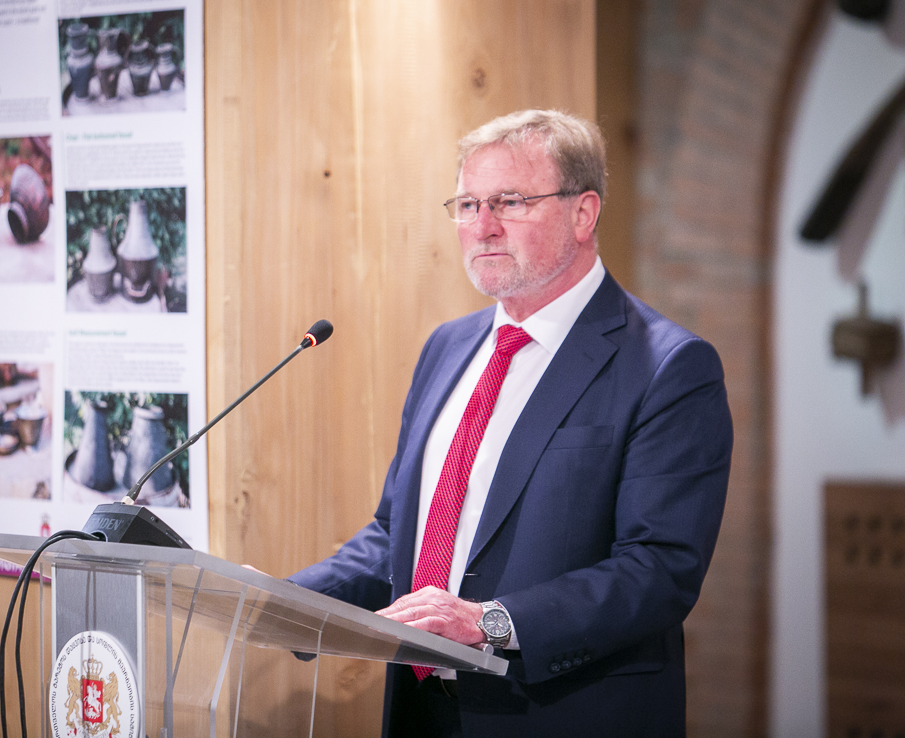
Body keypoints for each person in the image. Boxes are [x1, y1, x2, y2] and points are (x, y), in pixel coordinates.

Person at [288, 109, 732, 737]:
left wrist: (489, 623)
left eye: (510, 202)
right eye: (469, 205)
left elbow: (659, 570)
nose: (483, 226)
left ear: (583, 213)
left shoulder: (668, 366)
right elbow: (398, 534)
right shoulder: (447, 347)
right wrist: (285, 601)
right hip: (422, 712)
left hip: (563, 715)